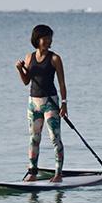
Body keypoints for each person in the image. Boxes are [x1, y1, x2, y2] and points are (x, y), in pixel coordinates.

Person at [15, 24, 68, 182]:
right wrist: (20, 69)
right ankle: (32, 172)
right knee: (34, 138)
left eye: (50, 37)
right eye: (45, 38)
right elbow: (26, 81)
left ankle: (58, 174)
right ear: (37, 39)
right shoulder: (29, 57)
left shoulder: (55, 58)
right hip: (33, 103)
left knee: (55, 138)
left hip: (50, 103)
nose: (48, 40)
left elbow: (62, 84)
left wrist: (64, 104)